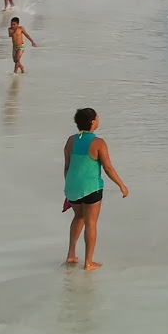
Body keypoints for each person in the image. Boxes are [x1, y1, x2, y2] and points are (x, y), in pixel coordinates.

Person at [62, 107, 129, 271]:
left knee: (78, 217)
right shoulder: (98, 143)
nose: (98, 120)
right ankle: (88, 262)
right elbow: (108, 168)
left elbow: (67, 166)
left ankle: (71, 254)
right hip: (91, 188)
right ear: (92, 122)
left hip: (72, 188)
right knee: (91, 222)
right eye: (97, 118)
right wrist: (122, 185)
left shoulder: (71, 140)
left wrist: (70, 186)